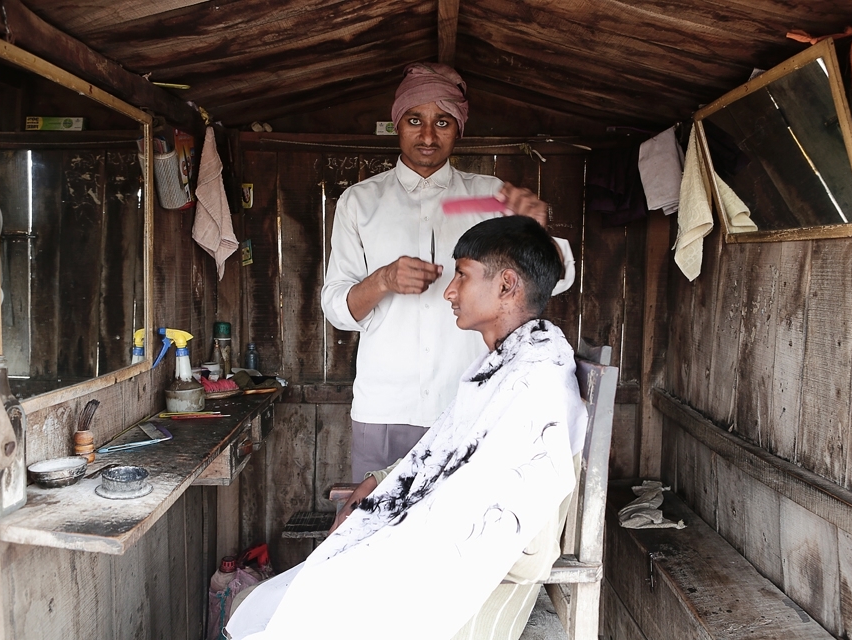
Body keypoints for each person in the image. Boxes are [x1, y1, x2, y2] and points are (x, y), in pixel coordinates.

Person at [225, 216, 587, 640]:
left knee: (288, 612)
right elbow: (454, 461)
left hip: (470, 595)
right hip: (436, 562)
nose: (449, 291)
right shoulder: (509, 363)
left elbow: (528, 551)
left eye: (462, 275)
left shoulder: (536, 384)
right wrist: (381, 483)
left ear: (506, 285)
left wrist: (405, 537)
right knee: (275, 603)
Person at [321, 62, 576, 481]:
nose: (427, 136)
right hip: (384, 407)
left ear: (458, 129)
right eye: (414, 120)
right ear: (396, 123)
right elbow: (336, 308)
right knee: (374, 516)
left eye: (442, 122)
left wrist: (538, 231)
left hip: (470, 402)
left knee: (464, 519)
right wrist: (383, 280)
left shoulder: (489, 197)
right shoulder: (359, 202)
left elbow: (554, 282)